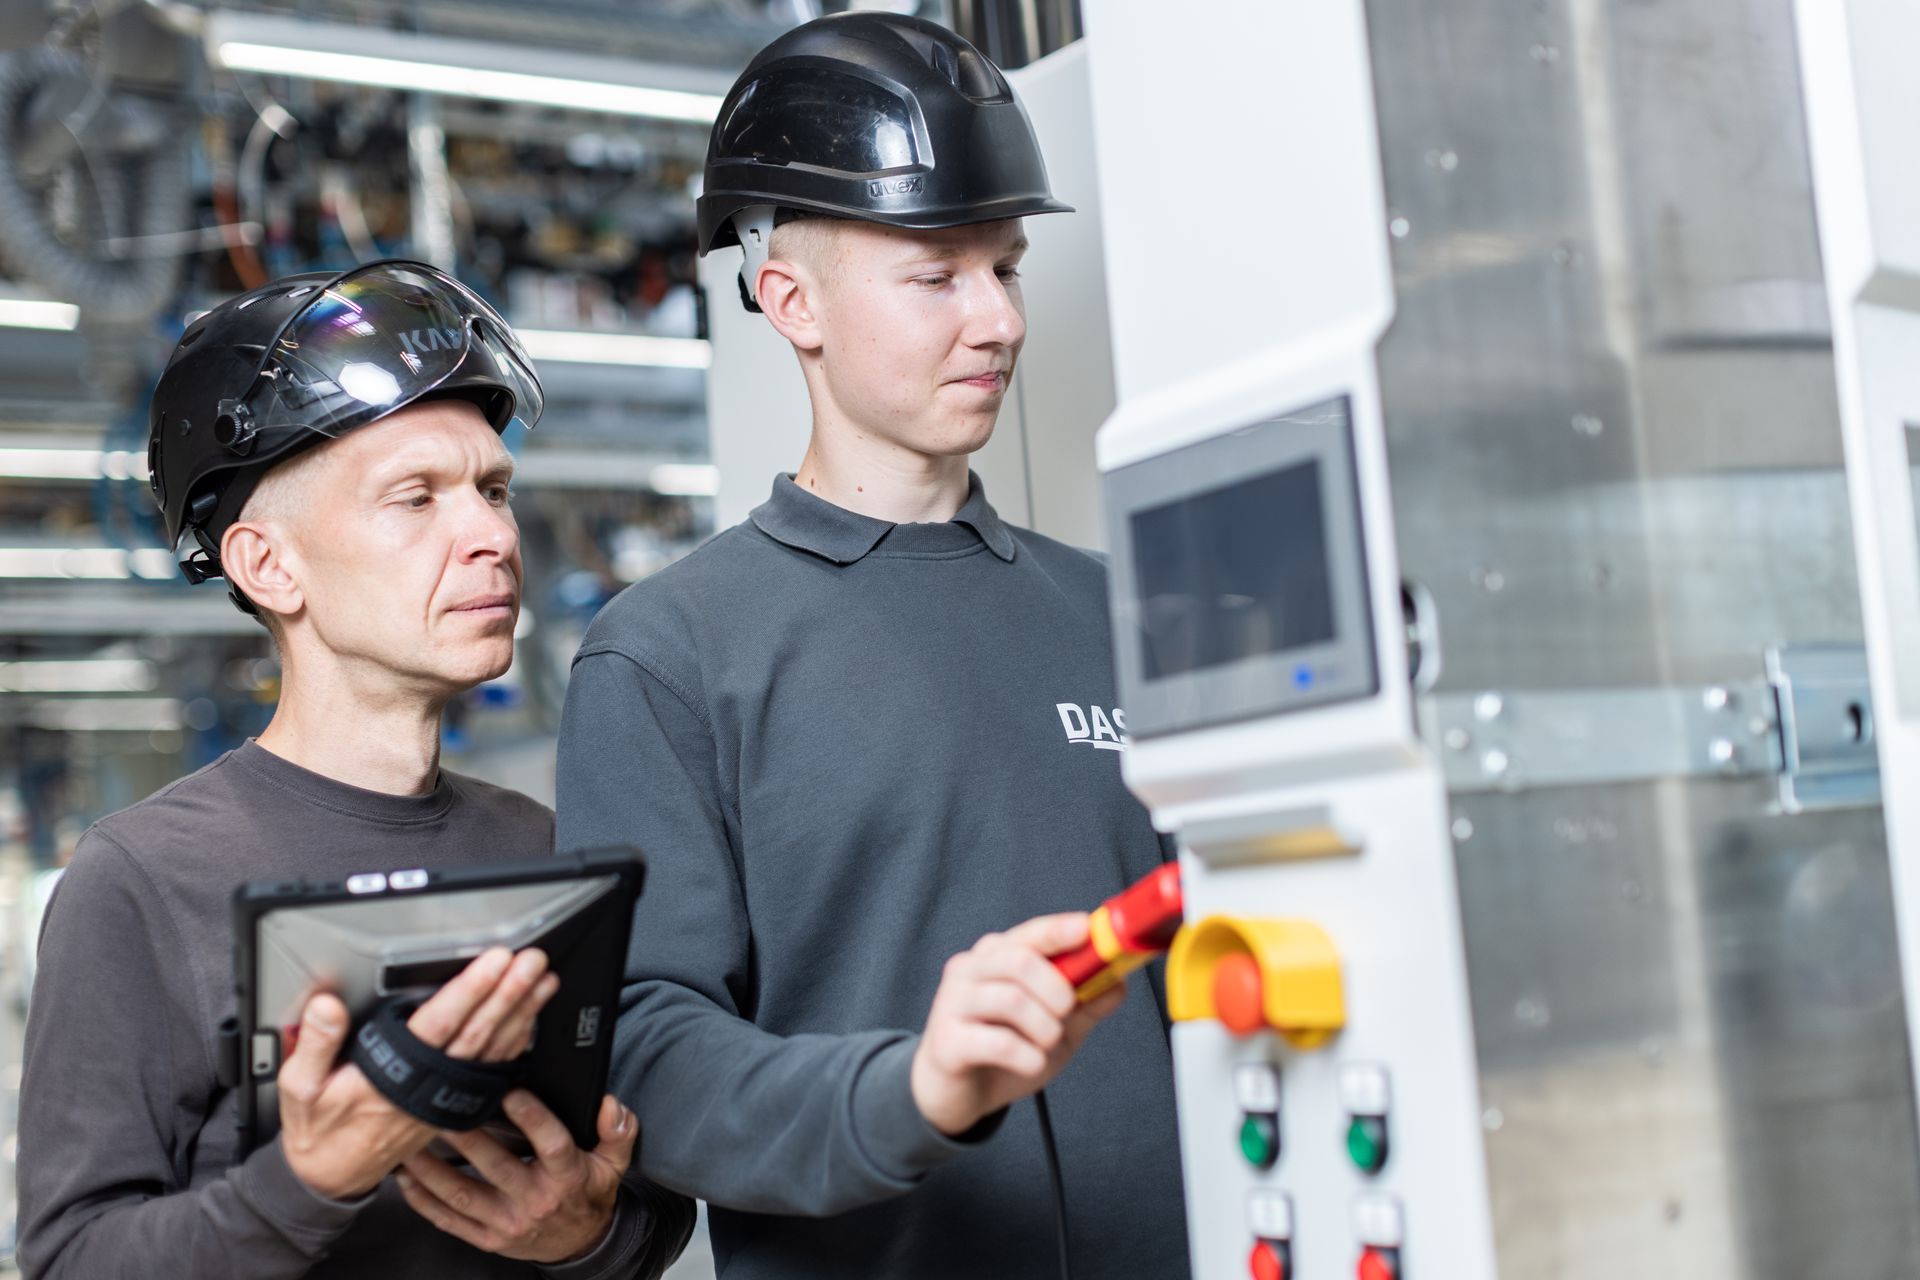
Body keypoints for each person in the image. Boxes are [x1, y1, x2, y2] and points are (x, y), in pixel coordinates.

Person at [557, 15, 1190, 1278]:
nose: (998, 319)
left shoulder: (1130, 616)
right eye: (936, 275)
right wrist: (917, 1086)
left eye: (1005, 268)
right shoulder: (669, 658)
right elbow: (644, 1049)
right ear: (791, 302)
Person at [17, 261, 694, 1280]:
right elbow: (73, 1258)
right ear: (265, 564)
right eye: (415, 496)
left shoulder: (543, 845)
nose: (493, 537)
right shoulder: (143, 878)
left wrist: (588, 1234)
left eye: (494, 488)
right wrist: (310, 1179)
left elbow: (645, 1192)